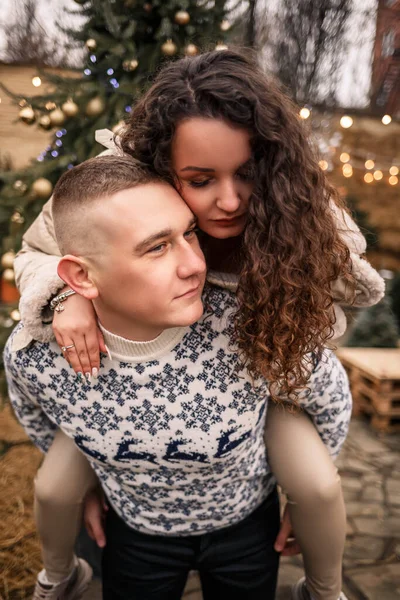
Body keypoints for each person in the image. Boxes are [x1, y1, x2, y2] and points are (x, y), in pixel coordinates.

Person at [12, 49, 384, 600]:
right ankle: (62, 578)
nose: (229, 200)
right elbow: (42, 251)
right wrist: (66, 295)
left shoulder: (293, 212)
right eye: (201, 179)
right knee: (58, 484)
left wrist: (286, 292)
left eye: (248, 173)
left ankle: (324, 590)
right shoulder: (122, 188)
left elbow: (343, 292)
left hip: (262, 364)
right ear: (163, 169)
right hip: (134, 401)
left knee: (315, 484)